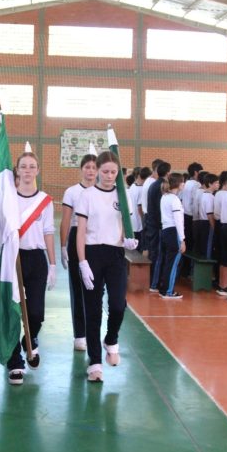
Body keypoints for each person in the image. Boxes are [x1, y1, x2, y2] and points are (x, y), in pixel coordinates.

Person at [75, 151, 137, 383]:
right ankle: (95, 361)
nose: (110, 176)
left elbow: (125, 226)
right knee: (92, 311)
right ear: (98, 170)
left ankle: (111, 339)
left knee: (118, 305)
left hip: (115, 254)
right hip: (92, 253)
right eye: (105, 172)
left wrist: (128, 240)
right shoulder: (88, 195)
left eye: (114, 172)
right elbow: (81, 231)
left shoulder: (124, 195)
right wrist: (82, 262)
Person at [8, 151, 56, 385]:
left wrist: (53, 263)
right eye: (23, 166)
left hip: (36, 259)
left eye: (32, 166)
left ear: (38, 170)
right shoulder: (8, 198)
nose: (27, 170)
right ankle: (15, 362)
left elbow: (48, 232)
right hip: (12, 258)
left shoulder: (45, 201)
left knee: (35, 313)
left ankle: (30, 340)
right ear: (17, 170)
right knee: (13, 312)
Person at [61, 153, 98, 352]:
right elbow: (66, 220)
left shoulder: (105, 191)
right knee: (78, 287)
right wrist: (63, 245)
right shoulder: (72, 192)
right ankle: (80, 334)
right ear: (81, 169)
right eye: (87, 167)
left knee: (95, 288)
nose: (91, 171)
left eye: (94, 167)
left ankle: (93, 330)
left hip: (97, 239)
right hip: (77, 237)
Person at [158, 172, 185, 299]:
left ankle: (163, 287)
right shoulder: (174, 199)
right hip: (173, 232)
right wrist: (182, 239)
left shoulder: (165, 197)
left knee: (168, 262)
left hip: (165, 231)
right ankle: (168, 290)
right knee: (173, 263)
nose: (184, 184)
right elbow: (178, 221)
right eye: (183, 182)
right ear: (178, 184)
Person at [145, 161, 171, 292]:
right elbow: (160, 207)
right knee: (158, 254)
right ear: (168, 173)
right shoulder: (161, 186)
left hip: (152, 223)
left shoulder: (153, 184)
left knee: (155, 253)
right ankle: (154, 283)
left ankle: (154, 281)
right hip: (157, 225)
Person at [194, 173, 218, 259]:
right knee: (208, 245)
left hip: (202, 222)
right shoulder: (209, 197)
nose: (218, 185)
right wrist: (214, 227)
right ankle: (207, 265)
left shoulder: (205, 194)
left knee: (204, 245)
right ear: (210, 184)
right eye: (216, 183)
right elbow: (209, 214)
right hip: (207, 223)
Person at [128, 167, 149, 251]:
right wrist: (144, 221)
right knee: (139, 249)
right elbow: (140, 208)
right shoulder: (141, 189)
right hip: (138, 223)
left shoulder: (132, 186)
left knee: (133, 249)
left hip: (132, 221)